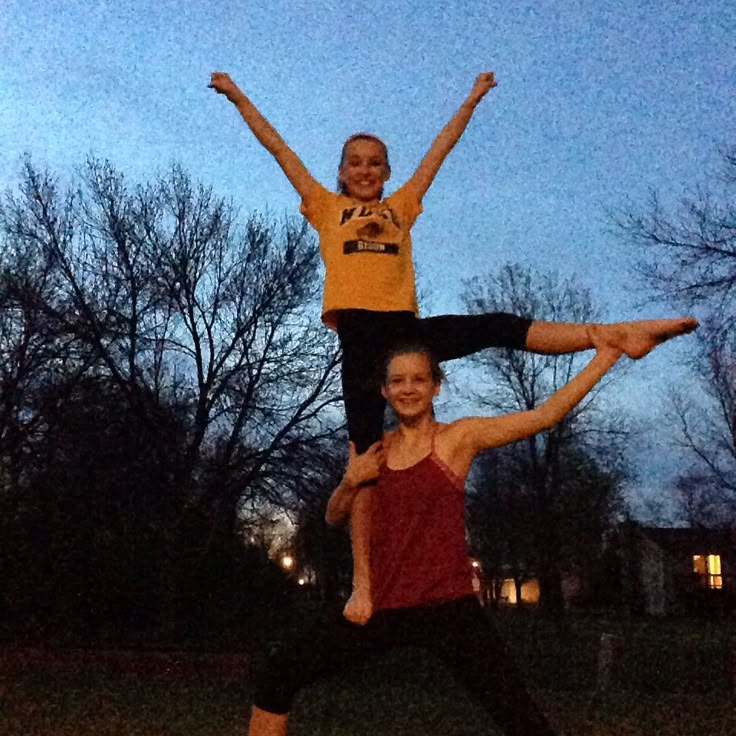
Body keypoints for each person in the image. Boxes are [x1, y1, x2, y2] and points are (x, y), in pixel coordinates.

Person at [209, 70, 699, 623]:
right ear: (341, 173)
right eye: (356, 162)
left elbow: (442, 147)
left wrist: (470, 100)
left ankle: (606, 334)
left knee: (494, 324)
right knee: (364, 462)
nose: (366, 169)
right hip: (361, 343)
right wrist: (238, 96)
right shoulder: (324, 207)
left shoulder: (403, 206)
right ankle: (363, 586)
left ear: (388, 173)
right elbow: (277, 147)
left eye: (376, 162)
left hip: (407, 334)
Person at [247, 327, 674, 736]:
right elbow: (332, 517)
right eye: (397, 381)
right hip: (383, 608)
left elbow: (544, 415)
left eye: (419, 379)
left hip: (449, 610)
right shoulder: (375, 449)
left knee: (522, 721)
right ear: (384, 390)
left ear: (436, 386)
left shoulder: (458, 438)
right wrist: (350, 480)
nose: (408, 388)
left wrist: (607, 355)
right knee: (277, 673)